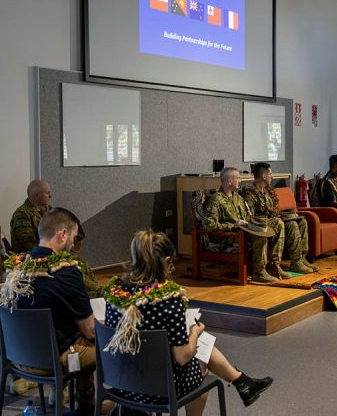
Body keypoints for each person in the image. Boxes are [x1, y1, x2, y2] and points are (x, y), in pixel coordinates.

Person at [103, 230, 273, 415]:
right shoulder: (169, 300)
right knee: (201, 357)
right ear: (166, 262)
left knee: (198, 344)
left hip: (123, 383)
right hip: (159, 390)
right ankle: (241, 382)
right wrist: (194, 333)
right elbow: (182, 356)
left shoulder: (115, 293)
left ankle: (243, 382)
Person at [0, 207, 96, 415]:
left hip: (16, 357)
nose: (73, 244)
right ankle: (87, 406)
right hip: (50, 360)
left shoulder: (14, 269)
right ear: (62, 234)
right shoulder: (65, 273)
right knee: (104, 343)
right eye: (73, 236)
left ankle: (60, 392)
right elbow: (90, 330)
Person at [202, 167, 286, 283]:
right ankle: (259, 272)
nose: (240, 181)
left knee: (278, 224)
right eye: (238, 178)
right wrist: (232, 225)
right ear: (230, 181)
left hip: (244, 229)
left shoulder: (238, 198)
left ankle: (274, 266)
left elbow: (247, 216)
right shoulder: (217, 199)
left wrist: (260, 222)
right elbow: (208, 225)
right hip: (229, 235)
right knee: (260, 234)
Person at [241, 162, 319, 274]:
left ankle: (301, 259)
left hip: (274, 221)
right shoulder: (250, 194)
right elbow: (251, 217)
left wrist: (285, 215)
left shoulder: (268, 192)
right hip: (264, 226)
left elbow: (273, 210)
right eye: (270, 174)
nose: (272, 177)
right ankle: (281, 264)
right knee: (290, 225)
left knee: (302, 222)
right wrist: (273, 219)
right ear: (263, 176)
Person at [10, 179, 52, 253]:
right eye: (47, 193)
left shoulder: (49, 210)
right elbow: (30, 244)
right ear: (37, 196)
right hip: (27, 260)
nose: (50, 196)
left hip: (47, 255)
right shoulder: (21, 214)